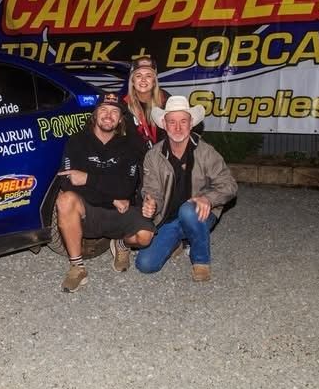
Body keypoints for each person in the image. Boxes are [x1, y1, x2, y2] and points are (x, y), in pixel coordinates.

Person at [55, 92, 154, 292]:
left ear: (120, 119)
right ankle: (77, 267)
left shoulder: (130, 145)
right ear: (95, 114)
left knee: (145, 236)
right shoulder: (77, 141)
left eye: (114, 112)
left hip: (122, 211)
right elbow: (68, 183)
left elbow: (126, 188)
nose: (108, 115)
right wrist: (112, 196)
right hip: (90, 211)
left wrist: (88, 178)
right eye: (103, 110)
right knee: (65, 200)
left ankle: (122, 244)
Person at [136, 96, 237, 282]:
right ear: (164, 125)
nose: (178, 127)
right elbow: (152, 190)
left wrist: (209, 199)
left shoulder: (206, 152)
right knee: (145, 265)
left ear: (191, 124)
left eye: (183, 121)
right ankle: (178, 242)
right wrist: (151, 203)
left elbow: (229, 185)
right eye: (172, 122)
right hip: (169, 218)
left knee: (187, 211)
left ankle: (201, 261)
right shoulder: (153, 156)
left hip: (199, 214)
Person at [123, 55, 169, 150]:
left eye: (148, 75)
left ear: (154, 81)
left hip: (162, 155)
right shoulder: (123, 104)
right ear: (132, 80)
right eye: (138, 75)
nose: (143, 79)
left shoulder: (166, 99)